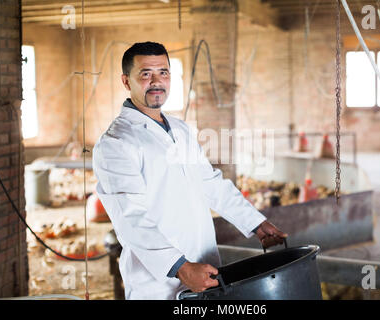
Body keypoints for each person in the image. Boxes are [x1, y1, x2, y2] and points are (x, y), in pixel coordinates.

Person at [92, 42, 287, 300]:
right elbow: (131, 219)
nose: (156, 81)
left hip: (204, 269)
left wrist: (255, 222)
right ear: (126, 81)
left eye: (163, 72)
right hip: (157, 285)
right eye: (146, 74)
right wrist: (180, 268)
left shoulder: (180, 129)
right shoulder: (116, 143)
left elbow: (210, 183)